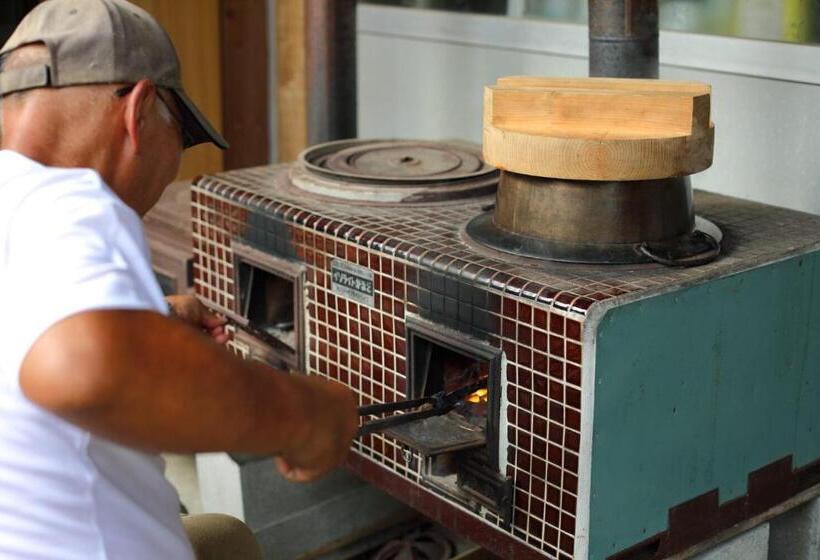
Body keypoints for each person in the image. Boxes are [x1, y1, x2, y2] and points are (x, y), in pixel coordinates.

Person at [0, 1, 358, 559]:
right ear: (139, 110)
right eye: (183, 136)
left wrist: (149, 325)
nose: (175, 166)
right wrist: (305, 416)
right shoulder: (68, 197)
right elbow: (84, 365)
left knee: (229, 541)